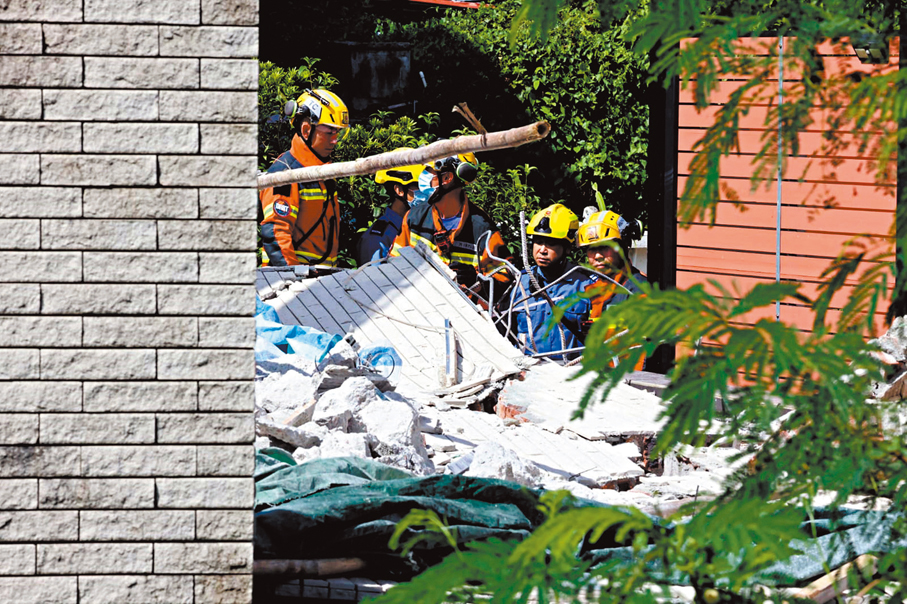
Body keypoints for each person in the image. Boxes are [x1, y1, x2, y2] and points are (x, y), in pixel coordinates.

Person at [390, 153, 512, 303]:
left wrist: (478, 282)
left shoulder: (482, 229)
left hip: (464, 311)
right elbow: (393, 264)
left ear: (447, 178)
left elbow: (504, 279)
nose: (423, 176)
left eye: (429, 171)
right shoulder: (414, 218)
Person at [259, 89, 350, 267]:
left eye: (338, 133)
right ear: (306, 130)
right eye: (329, 132)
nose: (334, 140)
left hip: (320, 276)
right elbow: (276, 233)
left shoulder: (323, 172)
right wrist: (295, 276)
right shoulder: (284, 174)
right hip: (291, 278)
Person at [505, 204, 605, 361]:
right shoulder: (518, 284)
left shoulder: (587, 285)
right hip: (527, 370)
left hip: (571, 370)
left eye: (551, 243)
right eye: (538, 242)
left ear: (567, 248)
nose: (542, 250)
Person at [356, 151, 422, 265]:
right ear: (399, 190)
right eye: (418, 186)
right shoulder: (377, 239)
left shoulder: (418, 225)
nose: (425, 192)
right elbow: (374, 275)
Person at [576, 209, 646, 310]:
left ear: (623, 246)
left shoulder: (639, 291)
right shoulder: (591, 289)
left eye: (605, 247)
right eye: (591, 249)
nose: (598, 256)